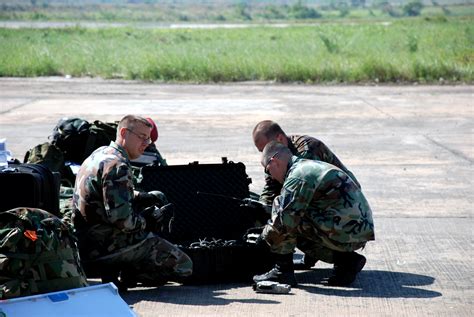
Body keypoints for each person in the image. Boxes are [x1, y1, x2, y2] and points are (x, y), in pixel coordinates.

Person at [72, 115, 192, 290]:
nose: (147, 143)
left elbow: (104, 193)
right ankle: (127, 272)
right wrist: (147, 221)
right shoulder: (118, 165)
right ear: (123, 133)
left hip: (85, 242)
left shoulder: (100, 154)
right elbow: (123, 221)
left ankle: (115, 270)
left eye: (148, 138)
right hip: (104, 247)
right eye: (142, 137)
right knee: (184, 266)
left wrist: (140, 197)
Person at [253, 141, 374, 287]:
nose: (270, 176)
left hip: (346, 230)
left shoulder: (297, 176)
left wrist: (262, 239)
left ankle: (282, 271)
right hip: (355, 229)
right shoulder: (307, 166)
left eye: (267, 170)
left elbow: (285, 220)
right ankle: (347, 261)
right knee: (293, 216)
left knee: (282, 211)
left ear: (275, 161)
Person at [251, 120, 361, 269]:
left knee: (288, 218)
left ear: (280, 139)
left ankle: (344, 260)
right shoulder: (278, 157)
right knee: (279, 211)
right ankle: (323, 256)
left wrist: (266, 237)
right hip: (329, 208)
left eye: (265, 148)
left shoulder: (307, 151)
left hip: (345, 213)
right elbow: (271, 188)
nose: (265, 153)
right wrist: (261, 208)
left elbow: (305, 197)